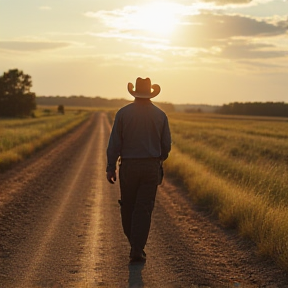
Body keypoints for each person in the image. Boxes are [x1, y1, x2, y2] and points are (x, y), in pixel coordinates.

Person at [106, 77, 171, 264]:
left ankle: (135, 246)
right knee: (143, 209)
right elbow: (166, 145)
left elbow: (114, 144)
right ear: (150, 93)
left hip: (128, 166)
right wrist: (159, 159)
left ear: (134, 92)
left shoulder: (123, 113)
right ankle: (137, 247)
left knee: (128, 207)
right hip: (151, 166)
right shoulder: (160, 115)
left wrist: (111, 167)